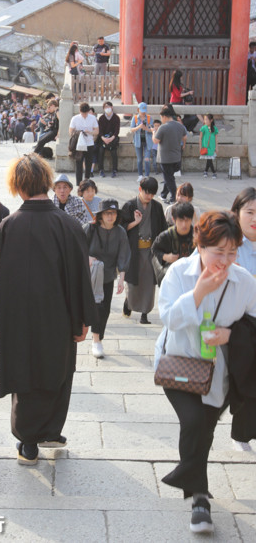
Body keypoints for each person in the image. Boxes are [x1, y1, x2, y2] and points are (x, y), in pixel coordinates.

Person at [155, 211, 256, 534]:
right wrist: (198, 291)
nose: (225, 260)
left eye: (232, 252)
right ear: (200, 245)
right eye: (218, 251)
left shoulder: (244, 281)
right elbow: (168, 318)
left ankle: (190, 478)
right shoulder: (178, 274)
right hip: (179, 364)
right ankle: (200, 499)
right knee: (194, 421)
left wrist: (231, 336)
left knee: (205, 431)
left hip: (219, 372)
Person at [0, 153, 93, 465]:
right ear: (47, 183)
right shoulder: (68, 225)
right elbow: (81, 276)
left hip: (18, 319)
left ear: (18, 186)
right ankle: (49, 429)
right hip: (59, 318)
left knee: (25, 375)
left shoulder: (8, 226)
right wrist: (83, 320)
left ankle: (28, 442)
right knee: (58, 371)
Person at [83, 199, 130, 358]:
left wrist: (121, 278)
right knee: (97, 307)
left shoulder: (120, 232)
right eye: (107, 213)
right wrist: (87, 258)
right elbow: (77, 247)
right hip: (91, 275)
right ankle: (96, 340)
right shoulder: (90, 228)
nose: (111, 216)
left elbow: (124, 254)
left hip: (109, 275)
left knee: (105, 309)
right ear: (100, 216)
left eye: (114, 213)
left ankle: (98, 338)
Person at [121, 176, 167, 324]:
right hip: (133, 250)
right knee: (133, 283)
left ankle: (144, 314)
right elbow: (121, 228)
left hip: (150, 251)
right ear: (140, 190)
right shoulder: (129, 206)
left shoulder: (157, 207)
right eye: (147, 193)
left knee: (148, 283)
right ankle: (129, 302)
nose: (149, 197)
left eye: (152, 194)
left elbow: (163, 229)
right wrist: (135, 222)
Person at [230, 187, 256, 451]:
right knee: (245, 380)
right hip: (237, 325)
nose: (254, 218)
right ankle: (241, 433)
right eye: (249, 212)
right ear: (237, 213)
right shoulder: (228, 243)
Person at [151, 202, 195, 285]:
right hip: (172, 280)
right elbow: (154, 249)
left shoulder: (198, 236)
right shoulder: (166, 236)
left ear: (191, 219)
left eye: (187, 220)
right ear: (174, 220)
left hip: (192, 279)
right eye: (181, 220)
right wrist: (166, 257)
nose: (184, 224)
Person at [153, 105, 187, 204]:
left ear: (164, 116)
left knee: (169, 179)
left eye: (161, 117)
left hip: (166, 159)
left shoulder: (163, 127)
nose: (161, 119)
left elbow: (155, 141)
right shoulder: (180, 125)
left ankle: (174, 197)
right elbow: (185, 137)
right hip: (177, 157)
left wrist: (153, 132)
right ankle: (163, 194)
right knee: (169, 177)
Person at [69, 103, 99, 186]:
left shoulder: (93, 118)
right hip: (79, 143)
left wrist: (90, 132)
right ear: (80, 111)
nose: (84, 115)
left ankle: (87, 181)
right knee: (78, 163)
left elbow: (97, 131)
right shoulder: (75, 118)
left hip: (89, 142)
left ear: (88, 111)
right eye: (83, 114)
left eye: (86, 113)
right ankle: (78, 183)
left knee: (89, 163)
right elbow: (70, 131)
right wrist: (79, 133)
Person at [130, 102, 153, 182]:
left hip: (147, 141)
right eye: (141, 110)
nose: (143, 112)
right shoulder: (135, 118)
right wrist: (139, 127)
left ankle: (146, 175)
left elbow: (153, 130)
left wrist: (147, 129)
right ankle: (140, 175)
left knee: (147, 159)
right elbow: (132, 129)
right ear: (138, 110)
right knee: (139, 159)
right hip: (138, 141)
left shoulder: (149, 118)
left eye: (144, 110)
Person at [97, 101, 120, 178]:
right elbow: (100, 131)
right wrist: (104, 138)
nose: (107, 108)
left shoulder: (116, 118)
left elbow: (117, 131)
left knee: (114, 152)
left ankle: (114, 170)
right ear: (103, 109)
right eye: (105, 107)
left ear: (112, 107)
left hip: (113, 138)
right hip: (103, 139)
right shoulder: (101, 118)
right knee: (100, 151)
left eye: (108, 107)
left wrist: (111, 139)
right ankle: (101, 170)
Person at [199, 114, 219, 179]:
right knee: (209, 159)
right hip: (205, 146)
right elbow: (200, 138)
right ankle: (214, 172)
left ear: (211, 120)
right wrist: (200, 147)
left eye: (206, 119)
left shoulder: (215, 128)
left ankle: (206, 171)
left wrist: (216, 147)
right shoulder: (203, 128)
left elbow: (216, 139)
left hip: (212, 146)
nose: (205, 121)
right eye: (204, 119)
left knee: (209, 159)